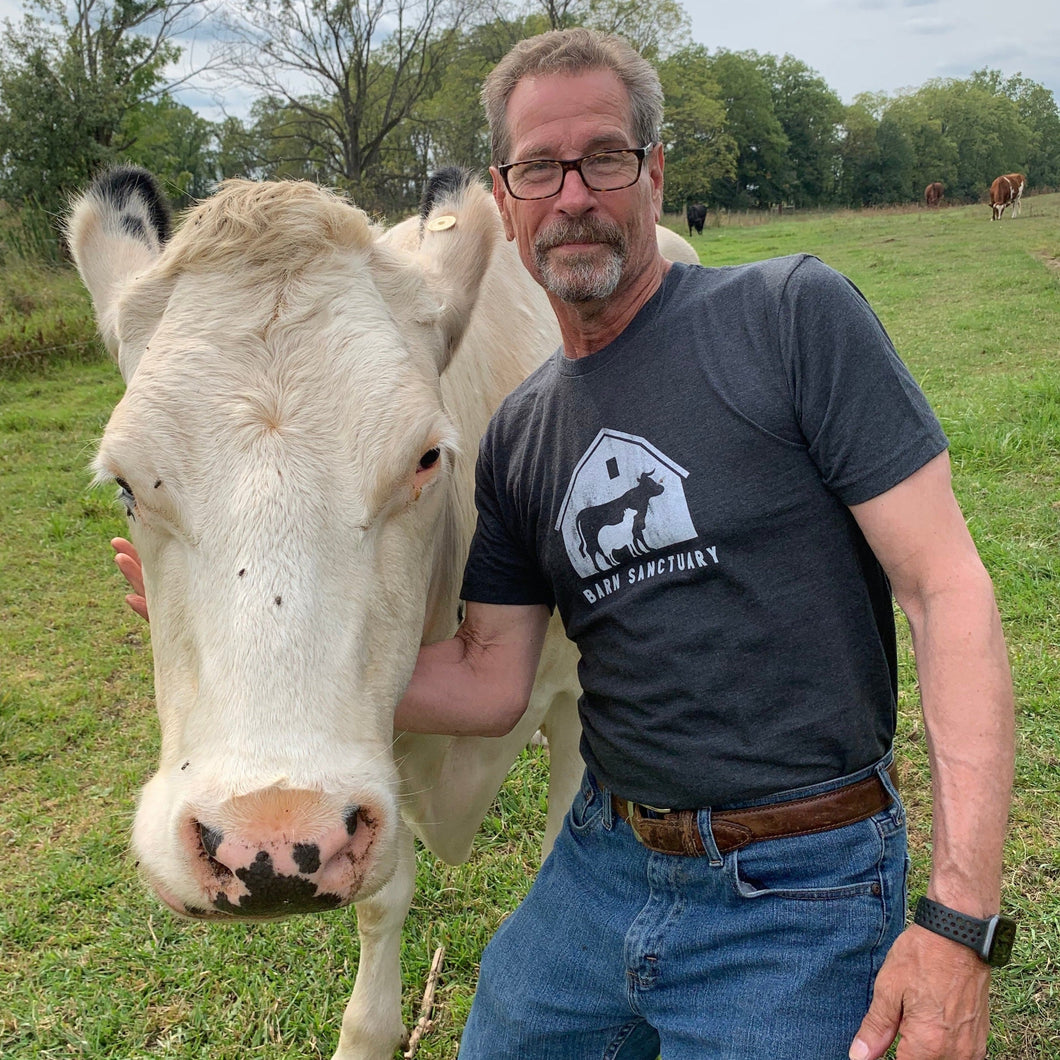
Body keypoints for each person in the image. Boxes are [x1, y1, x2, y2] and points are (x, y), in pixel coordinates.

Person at [113, 27, 1015, 1060]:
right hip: (603, 863)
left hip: (798, 871)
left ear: (655, 171)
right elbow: (495, 683)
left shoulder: (789, 315)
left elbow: (949, 591)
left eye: (605, 157)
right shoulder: (518, 432)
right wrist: (258, 646)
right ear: (504, 196)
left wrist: (957, 921)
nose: (573, 194)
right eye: (540, 167)